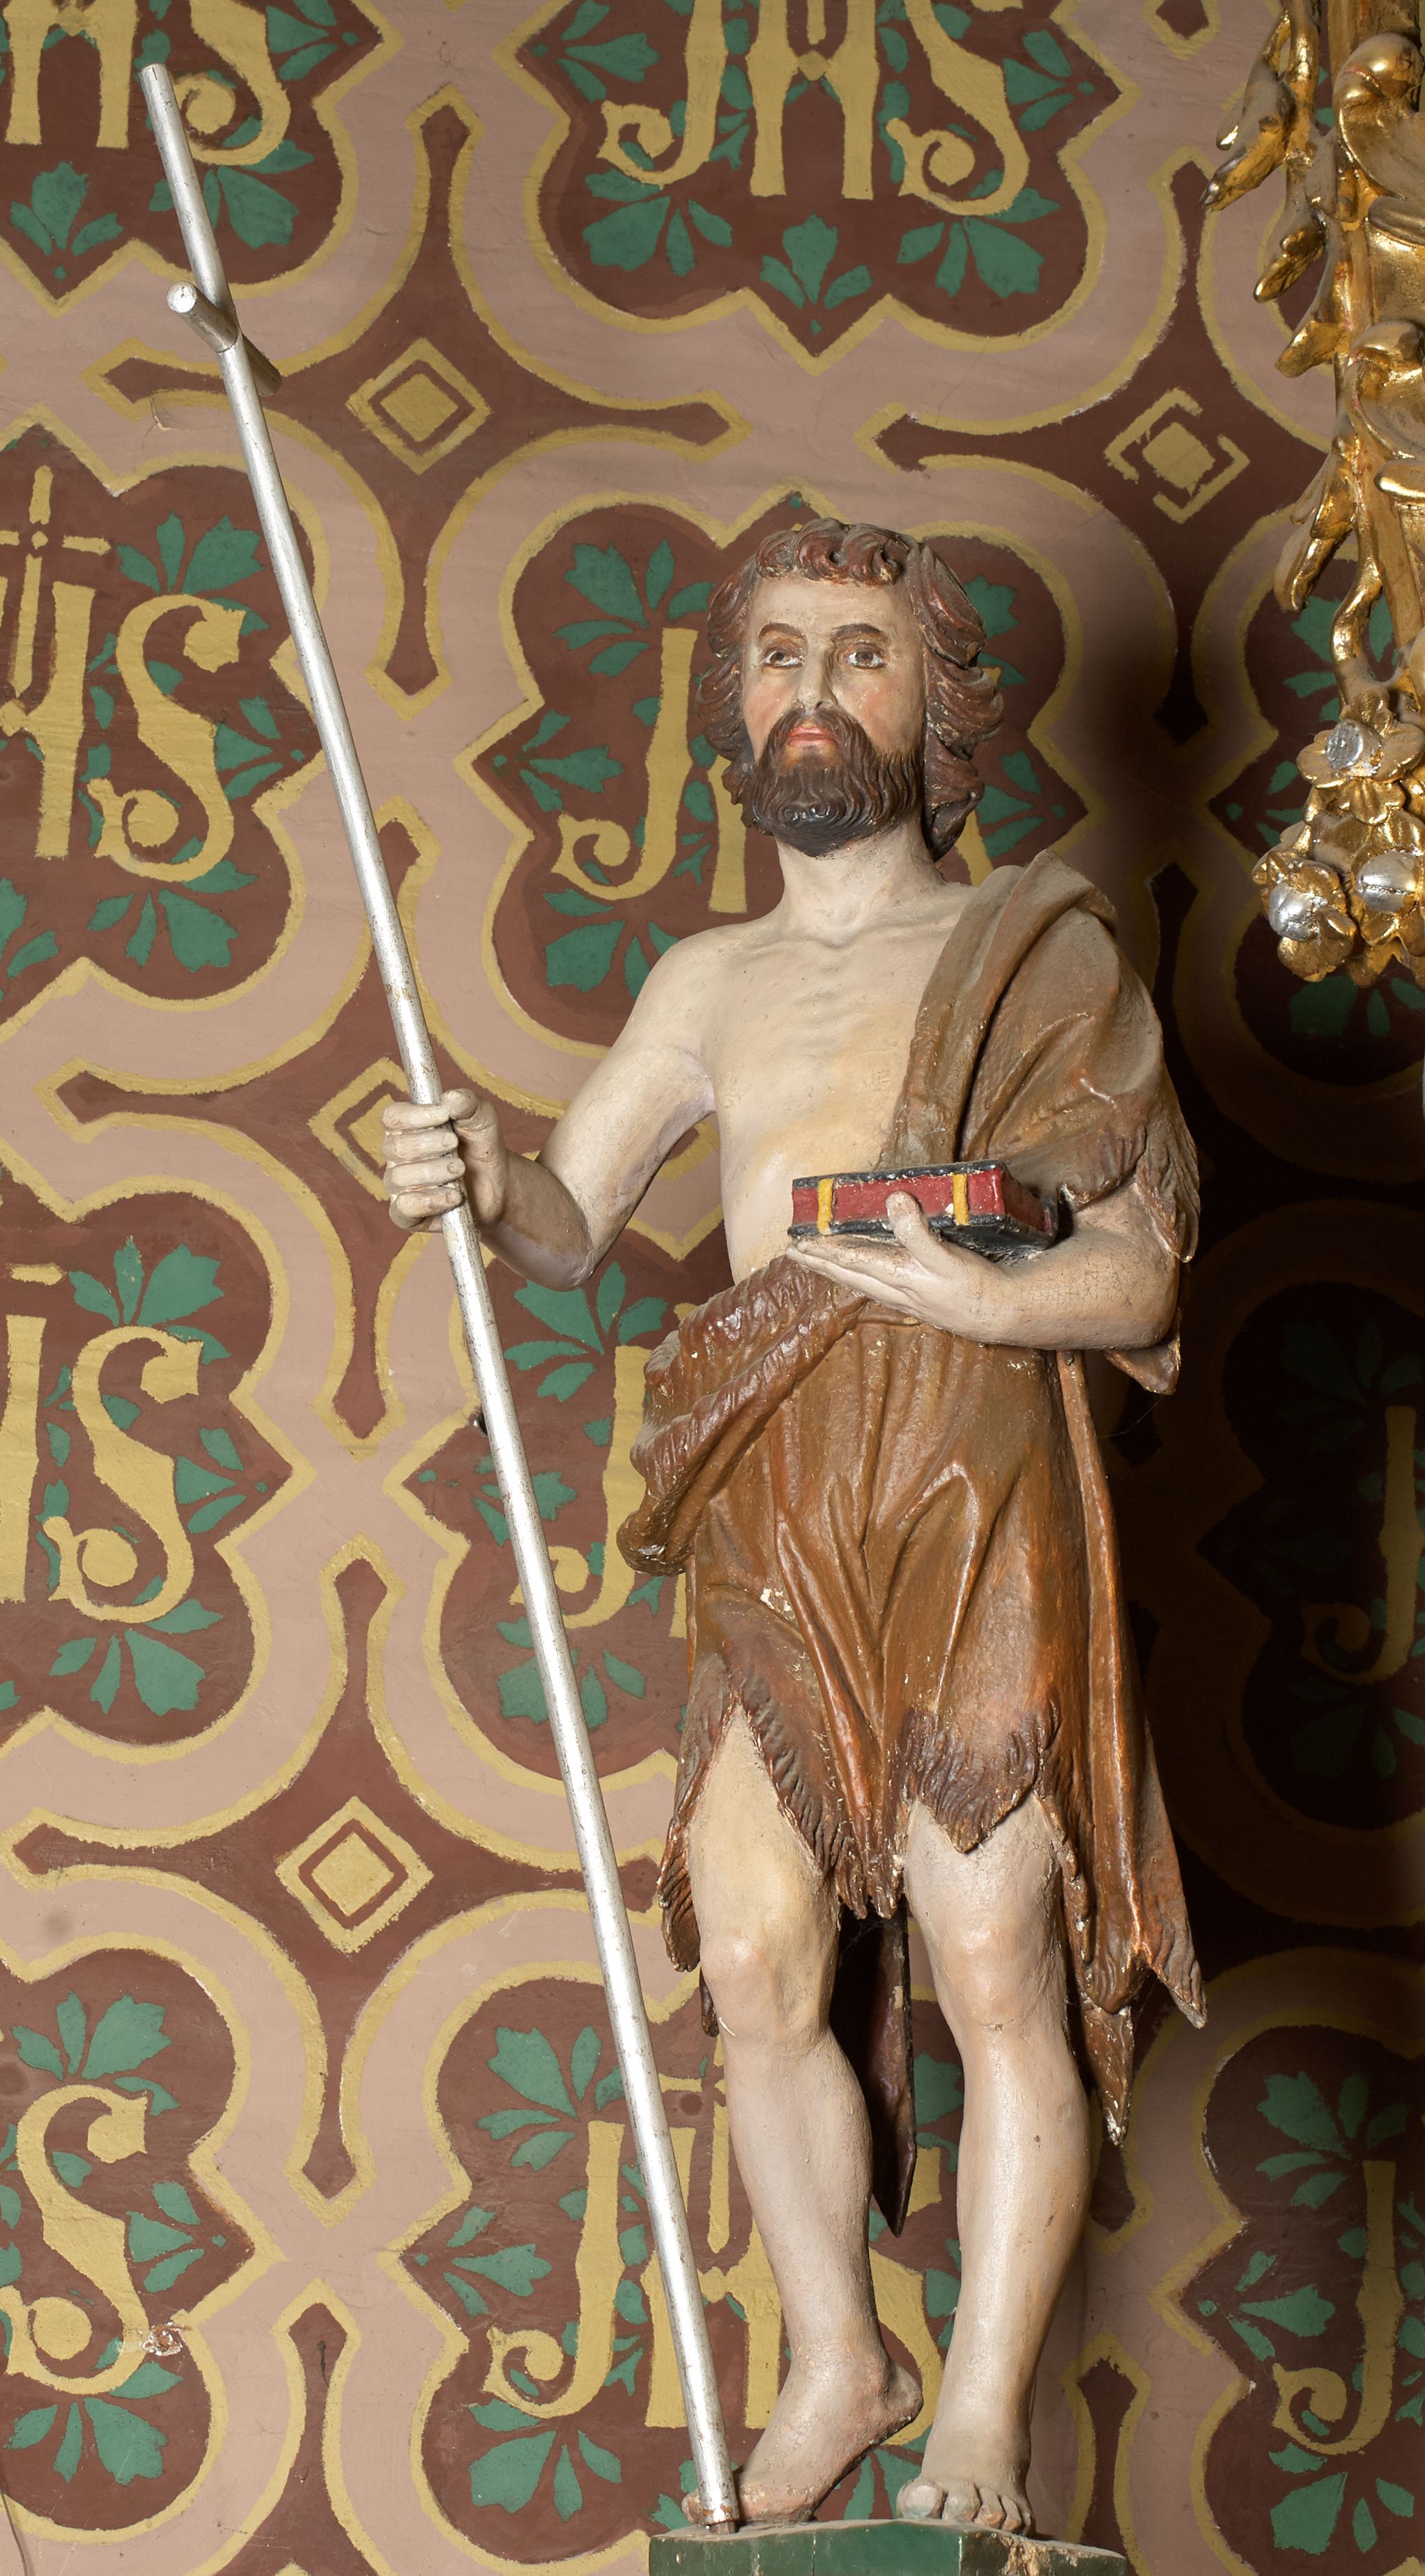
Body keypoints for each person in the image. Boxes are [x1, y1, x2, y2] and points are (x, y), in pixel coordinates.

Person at [382, 519, 1202, 2536]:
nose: (810, 690)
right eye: (775, 654)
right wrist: (479, 1169)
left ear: (937, 703)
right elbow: (568, 1220)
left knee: (992, 1947)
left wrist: (987, 1301)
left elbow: (1145, 1269)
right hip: (776, 1473)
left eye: (857, 652)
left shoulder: (1039, 944)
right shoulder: (710, 979)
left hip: (972, 1462)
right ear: (733, 710)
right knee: (752, 1950)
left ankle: (982, 2411)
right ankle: (842, 2356)